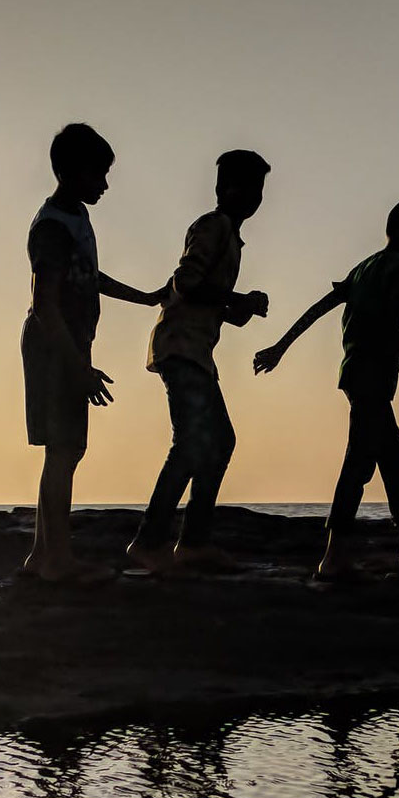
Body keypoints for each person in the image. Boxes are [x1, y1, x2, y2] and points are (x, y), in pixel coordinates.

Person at [254, 199, 399, 580]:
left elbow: (322, 305)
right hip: (372, 374)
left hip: (355, 372)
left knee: (392, 458)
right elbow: (394, 322)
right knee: (360, 461)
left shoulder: (365, 267)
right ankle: (334, 553)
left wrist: (281, 346)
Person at [21, 123, 163, 583]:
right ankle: (56, 559)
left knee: (64, 451)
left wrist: (142, 297)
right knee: (63, 449)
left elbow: (89, 276)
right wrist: (77, 366)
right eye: (98, 174)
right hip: (53, 345)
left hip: (68, 344)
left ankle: (43, 554)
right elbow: (45, 303)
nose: (104, 183)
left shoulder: (76, 219)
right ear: (71, 171)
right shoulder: (53, 227)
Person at [127, 150, 271, 573]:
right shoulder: (213, 227)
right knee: (191, 443)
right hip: (181, 348)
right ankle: (150, 542)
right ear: (226, 189)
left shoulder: (231, 236)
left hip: (196, 351)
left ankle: (192, 541)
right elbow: (187, 282)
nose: (256, 198)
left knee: (218, 441)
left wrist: (239, 310)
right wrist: (234, 299)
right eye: (249, 188)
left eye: (259, 190)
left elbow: (206, 298)